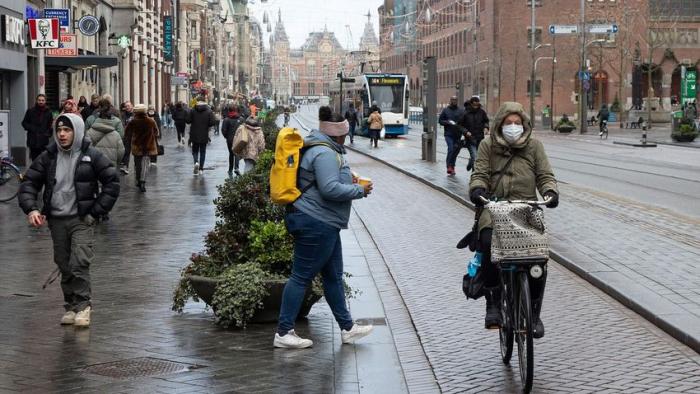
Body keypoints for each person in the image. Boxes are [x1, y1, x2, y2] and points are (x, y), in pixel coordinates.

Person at [274, 107, 374, 349]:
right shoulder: (325, 153)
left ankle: (347, 328)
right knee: (301, 277)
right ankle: (283, 332)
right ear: (338, 134)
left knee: (332, 277)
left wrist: (346, 180)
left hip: (324, 222)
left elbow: (324, 183)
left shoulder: (322, 148)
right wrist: (359, 190)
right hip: (315, 222)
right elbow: (329, 189)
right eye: (345, 133)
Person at [18, 113, 120, 328]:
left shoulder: (91, 155)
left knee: (79, 262)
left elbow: (112, 182)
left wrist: (95, 212)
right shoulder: (48, 156)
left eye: (67, 130)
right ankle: (71, 306)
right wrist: (32, 209)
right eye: (59, 130)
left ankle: (84, 307)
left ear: (77, 130)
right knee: (64, 264)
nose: (62, 134)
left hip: (81, 219)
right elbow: (29, 183)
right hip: (56, 220)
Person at [469, 101, 558, 338]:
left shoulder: (535, 147)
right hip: (496, 207)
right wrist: (478, 189)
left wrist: (550, 191)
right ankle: (494, 302)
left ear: (524, 125)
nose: (513, 127)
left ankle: (534, 313)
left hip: (527, 207)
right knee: (488, 242)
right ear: (499, 124)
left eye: (517, 123)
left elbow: (545, 175)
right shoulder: (487, 145)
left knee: (539, 258)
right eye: (508, 123)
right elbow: (479, 173)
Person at [125, 104, 158, 192]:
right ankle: (143, 181)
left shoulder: (132, 121)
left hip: (137, 146)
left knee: (137, 164)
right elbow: (156, 132)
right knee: (145, 164)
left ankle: (138, 180)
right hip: (148, 146)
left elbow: (127, 133)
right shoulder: (151, 121)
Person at [86, 98, 126, 168]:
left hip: (94, 168)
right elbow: (120, 153)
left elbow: (85, 150)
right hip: (110, 168)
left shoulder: (89, 132)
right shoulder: (116, 134)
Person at [460, 96, 490, 172]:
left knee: (478, 157)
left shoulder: (482, 112)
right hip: (470, 139)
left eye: (477, 105)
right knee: (475, 156)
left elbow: (486, 121)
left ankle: (471, 162)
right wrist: (466, 132)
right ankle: (474, 173)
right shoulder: (465, 113)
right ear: (471, 104)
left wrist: (486, 127)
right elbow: (459, 125)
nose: (476, 107)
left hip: (480, 138)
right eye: (474, 105)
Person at [186, 99, 216, 175]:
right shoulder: (209, 111)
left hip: (194, 134)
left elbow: (188, 120)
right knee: (203, 152)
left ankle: (196, 162)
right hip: (204, 134)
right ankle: (201, 169)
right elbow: (212, 122)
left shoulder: (193, 110)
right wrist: (207, 125)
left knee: (195, 151)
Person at [439, 96, 466, 175]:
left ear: (457, 101)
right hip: (448, 134)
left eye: (455, 100)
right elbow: (440, 121)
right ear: (450, 101)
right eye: (452, 100)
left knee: (455, 151)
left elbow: (464, 121)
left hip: (458, 134)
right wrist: (447, 122)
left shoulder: (461, 111)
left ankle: (452, 167)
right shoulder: (445, 110)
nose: (454, 101)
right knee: (451, 149)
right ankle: (449, 166)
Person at [22, 94, 54, 161]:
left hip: (43, 141)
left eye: (42, 100)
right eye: (39, 100)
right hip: (33, 140)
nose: (41, 102)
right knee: (34, 160)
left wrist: (47, 134)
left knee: (43, 159)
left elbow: (50, 125)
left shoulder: (49, 112)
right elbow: (24, 123)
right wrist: (31, 128)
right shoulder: (30, 111)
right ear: (36, 101)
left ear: (45, 101)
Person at [221, 105, 243, 176]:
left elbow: (223, 130)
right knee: (237, 153)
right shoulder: (241, 119)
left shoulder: (226, 120)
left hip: (229, 139)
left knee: (231, 153)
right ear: (236, 110)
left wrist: (227, 137)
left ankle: (230, 169)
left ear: (229, 111)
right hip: (238, 139)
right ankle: (236, 168)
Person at [119, 101, 135, 174]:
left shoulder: (135, 114)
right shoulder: (122, 115)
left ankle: (137, 166)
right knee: (126, 151)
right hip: (126, 136)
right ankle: (126, 166)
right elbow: (121, 124)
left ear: (132, 106)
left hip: (135, 136)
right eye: (126, 106)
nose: (127, 107)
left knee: (136, 152)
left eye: (129, 106)